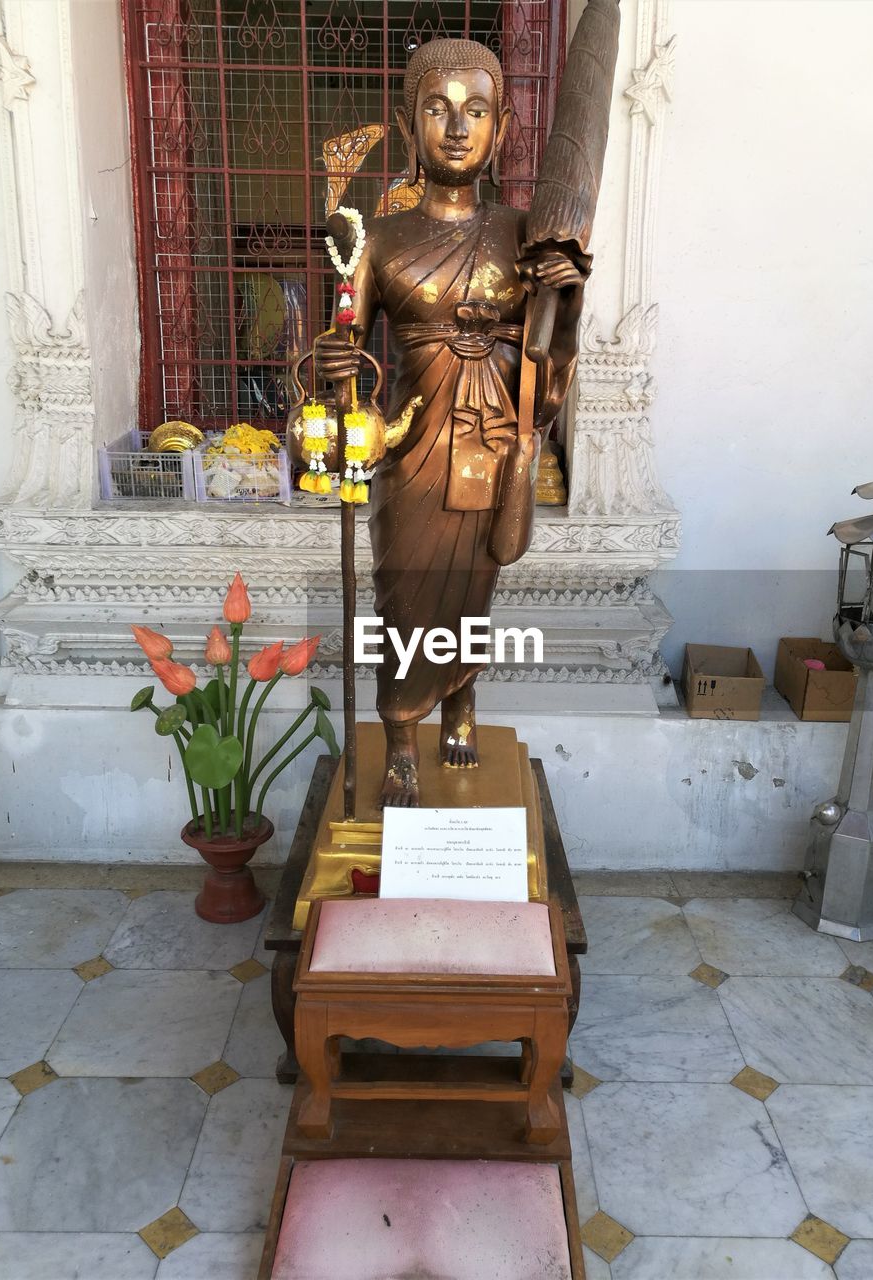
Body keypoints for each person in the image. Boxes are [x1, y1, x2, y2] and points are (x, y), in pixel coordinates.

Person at [316, 38, 585, 807]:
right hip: (411, 445)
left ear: (500, 129)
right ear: (409, 128)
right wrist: (339, 373)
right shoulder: (380, 239)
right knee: (404, 595)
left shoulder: (524, 235)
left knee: (474, 594)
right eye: (437, 109)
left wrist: (564, 302)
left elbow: (550, 360)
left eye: (475, 111)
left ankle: (461, 712)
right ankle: (401, 738)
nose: (457, 127)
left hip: (494, 442)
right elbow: (345, 343)